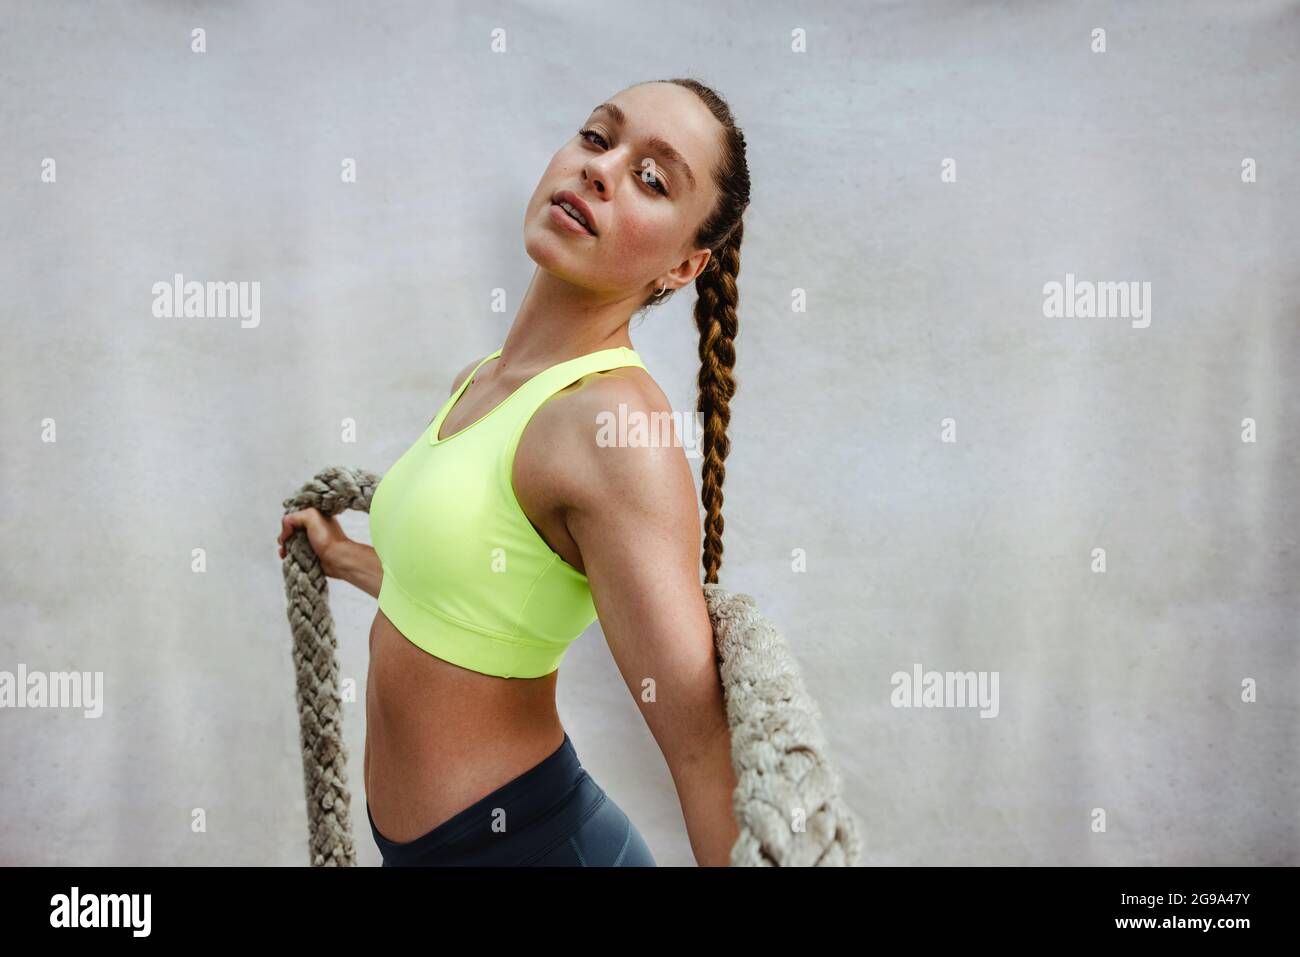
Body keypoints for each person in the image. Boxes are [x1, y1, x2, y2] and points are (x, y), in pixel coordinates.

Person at [278, 78, 751, 866]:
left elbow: (701, 749)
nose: (601, 170)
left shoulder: (615, 425)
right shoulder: (485, 378)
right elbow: (468, 596)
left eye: (653, 179)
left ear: (683, 264)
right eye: (599, 138)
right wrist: (346, 557)